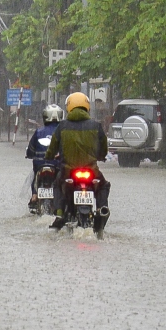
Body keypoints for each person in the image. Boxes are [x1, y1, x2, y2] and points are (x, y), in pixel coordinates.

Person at [44, 91, 110, 229]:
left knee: (57, 184)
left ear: (69, 107)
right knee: (103, 185)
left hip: (68, 171)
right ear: (87, 107)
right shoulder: (96, 126)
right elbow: (103, 146)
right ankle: (101, 209)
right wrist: (101, 156)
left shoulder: (62, 126)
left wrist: (49, 156)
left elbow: (53, 147)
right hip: (91, 170)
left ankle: (60, 213)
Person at [26, 104, 64, 209]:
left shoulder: (38, 132)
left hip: (40, 165)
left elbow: (31, 149)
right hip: (57, 165)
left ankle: (34, 195)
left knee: (34, 174)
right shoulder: (63, 132)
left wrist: (29, 154)